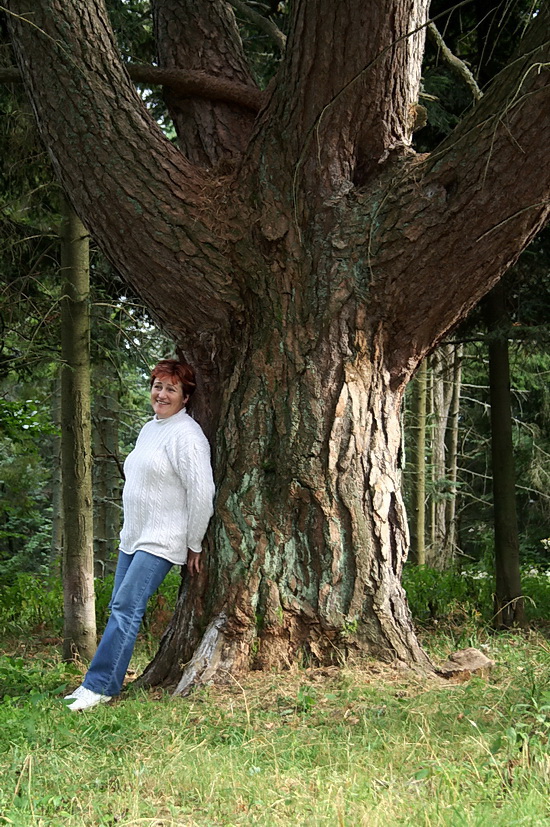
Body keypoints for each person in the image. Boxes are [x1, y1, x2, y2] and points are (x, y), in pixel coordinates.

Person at [65, 359, 215, 711]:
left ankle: (99, 686)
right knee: (120, 608)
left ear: (185, 397)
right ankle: (101, 683)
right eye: (158, 386)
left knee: (125, 609)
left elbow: (201, 493)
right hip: (133, 537)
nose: (161, 394)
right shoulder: (151, 428)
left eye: (171, 389)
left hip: (163, 540)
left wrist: (194, 542)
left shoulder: (187, 436)